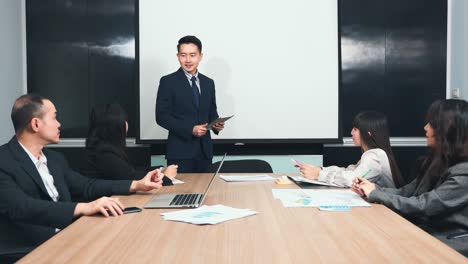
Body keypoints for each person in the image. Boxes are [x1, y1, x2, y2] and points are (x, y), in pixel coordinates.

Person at [0, 94, 164, 261]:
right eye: (54, 118)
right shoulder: (3, 161)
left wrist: (136, 185)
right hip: (29, 249)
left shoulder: (55, 159)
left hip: (68, 235)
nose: (59, 124)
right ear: (36, 124)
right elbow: (22, 207)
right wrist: (84, 208)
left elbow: (87, 186)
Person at [352, 99, 468, 256]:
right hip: (423, 230)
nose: (425, 128)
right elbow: (406, 191)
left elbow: (424, 206)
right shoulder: (436, 162)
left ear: (448, 130)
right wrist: (373, 189)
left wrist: (376, 194)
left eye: (431, 123)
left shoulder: (464, 174)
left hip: (446, 241)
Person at [155, 35, 224, 173]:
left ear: (200, 56)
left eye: (192, 55)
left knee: (206, 193)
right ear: (178, 56)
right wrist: (190, 129)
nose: (188, 60)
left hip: (205, 152)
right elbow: (161, 117)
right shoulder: (168, 82)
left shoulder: (208, 83)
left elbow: (211, 111)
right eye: (183, 55)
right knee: (179, 194)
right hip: (180, 153)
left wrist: (216, 124)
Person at [298, 111, 404, 188]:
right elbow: (349, 171)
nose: (351, 133)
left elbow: (351, 179)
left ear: (368, 134)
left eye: (355, 129)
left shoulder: (375, 156)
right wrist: (320, 170)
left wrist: (319, 174)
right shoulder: (372, 154)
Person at [85, 103, 177, 185]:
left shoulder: (104, 148)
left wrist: (159, 170)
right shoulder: (104, 154)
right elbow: (131, 178)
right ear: (114, 127)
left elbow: (132, 170)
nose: (126, 124)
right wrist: (165, 177)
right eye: (123, 121)